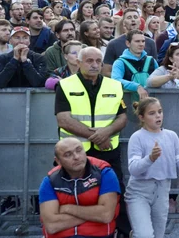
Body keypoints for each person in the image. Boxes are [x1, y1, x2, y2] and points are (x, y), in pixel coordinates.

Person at [54, 46, 130, 236]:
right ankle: (73, 230)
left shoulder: (114, 85)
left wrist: (107, 132)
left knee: (114, 190)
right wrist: (97, 137)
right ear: (78, 63)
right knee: (72, 193)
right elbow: (63, 119)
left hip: (108, 150)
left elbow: (122, 118)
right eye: (89, 61)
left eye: (98, 61)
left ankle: (120, 229)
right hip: (75, 153)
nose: (95, 65)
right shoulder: (65, 85)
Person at [126, 97, 179, 236]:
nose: (158, 115)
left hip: (162, 192)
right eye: (152, 113)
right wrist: (150, 158)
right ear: (142, 117)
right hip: (139, 193)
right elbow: (133, 169)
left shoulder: (171, 136)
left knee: (158, 234)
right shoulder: (137, 137)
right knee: (145, 235)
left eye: (160, 111)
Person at [39, 138, 120, 238]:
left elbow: (106, 215)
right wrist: (94, 214)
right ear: (58, 161)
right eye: (68, 154)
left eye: (79, 150)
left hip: (98, 235)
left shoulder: (104, 173)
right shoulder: (50, 181)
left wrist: (68, 208)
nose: (76, 157)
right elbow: (52, 226)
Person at [103, 9, 157, 77]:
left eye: (135, 17)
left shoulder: (151, 43)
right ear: (124, 23)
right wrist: (125, 80)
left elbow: (155, 70)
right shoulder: (113, 44)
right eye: (129, 17)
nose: (133, 20)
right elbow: (106, 71)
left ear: (140, 22)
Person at [112, 30, 158, 102]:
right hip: (128, 105)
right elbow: (115, 80)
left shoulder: (151, 60)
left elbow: (159, 78)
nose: (141, 44)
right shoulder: (120, 62)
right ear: (128, 43)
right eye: (137, 41)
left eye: (143, 41)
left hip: (150, 105)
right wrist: (136, 86)